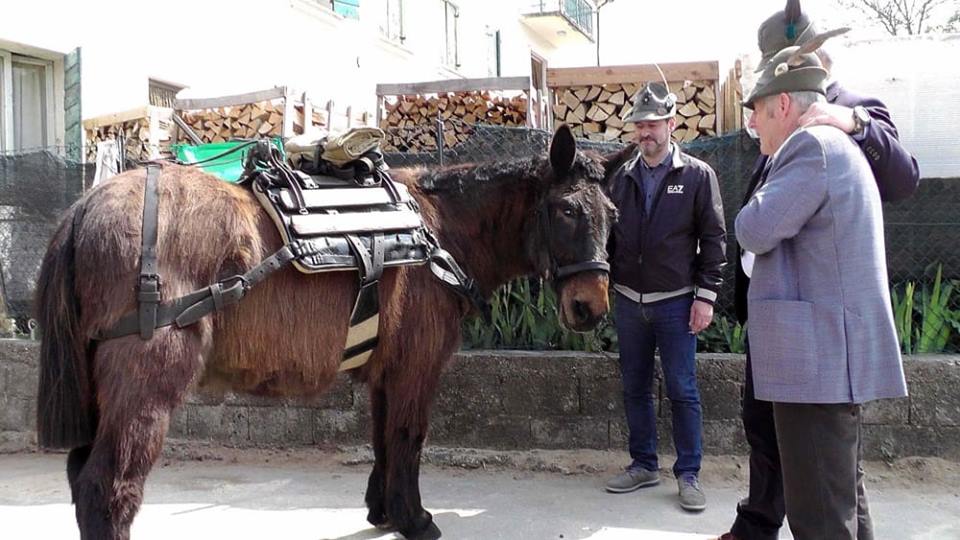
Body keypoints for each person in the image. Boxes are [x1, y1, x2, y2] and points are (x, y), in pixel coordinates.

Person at [718, 1, 920, 538]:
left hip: (815, 361)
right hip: (815, 353)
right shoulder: (820, 141)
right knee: (840, 498)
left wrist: (750, 213)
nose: (751, 123)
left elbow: (755, 228)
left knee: (821, 517)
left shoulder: (816, 140)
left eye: (756, 110)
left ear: (783, 101)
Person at [603, 81, 726, 512]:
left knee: (682, 389)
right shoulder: (620, 178)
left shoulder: (696, 176)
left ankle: (689, 473)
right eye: (639, 125)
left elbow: (714, 240)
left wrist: (705, 297)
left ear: (672, 124)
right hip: (627, 301)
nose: (644, 133)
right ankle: (643, 464)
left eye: (652, 124)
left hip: (676, 302)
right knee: (634, 387)